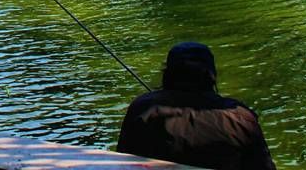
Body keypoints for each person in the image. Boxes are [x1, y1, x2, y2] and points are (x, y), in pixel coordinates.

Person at [117, 42, 275, 170]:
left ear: (168, 74)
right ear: (212, 76)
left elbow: (121, 163)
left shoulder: (141, 109)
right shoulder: (241, 118)